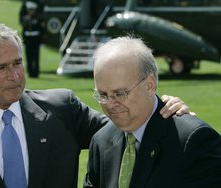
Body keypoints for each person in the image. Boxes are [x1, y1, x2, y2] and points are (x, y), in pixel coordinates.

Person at [0, 24, 190, 188]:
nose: (15, 76)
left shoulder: (63, 109)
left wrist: (159, 107)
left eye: (17, 63)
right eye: (1, 68)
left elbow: (127, 125)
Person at [84, 36, 221, 188]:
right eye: (103, 95)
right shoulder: (101, 142)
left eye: (120, 94)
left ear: (149, 85)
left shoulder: (194, 140)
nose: (110, 104)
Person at [19, 0, 44, 78]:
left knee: (36, 55)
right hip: (27, 36)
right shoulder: (25, 4)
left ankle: (36, 72)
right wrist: (26, 19)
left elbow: (42, 18)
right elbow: (21, 18)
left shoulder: (39, 4)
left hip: (36, 36)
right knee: (28, 55)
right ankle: (30, 72)